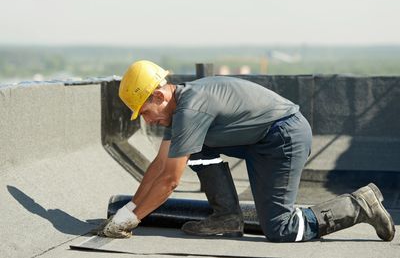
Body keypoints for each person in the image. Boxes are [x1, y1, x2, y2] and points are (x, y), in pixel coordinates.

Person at [97, 60, 395, 242]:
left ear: (160, 95)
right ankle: (227, 216)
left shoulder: (191, 109)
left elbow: (169, 182)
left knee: (281, 229)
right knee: (191, 148)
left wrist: (131, 220)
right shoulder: (179, 110)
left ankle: (358, 206)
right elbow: (158, 167)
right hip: (262, 139)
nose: (148, 120)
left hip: (283, 138)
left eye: (146, 112)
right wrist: (128, 209)